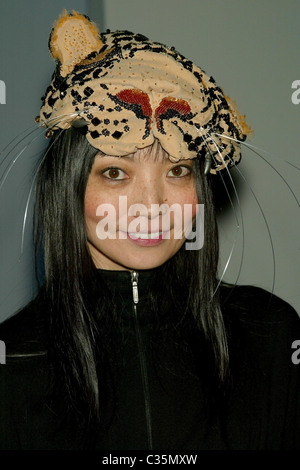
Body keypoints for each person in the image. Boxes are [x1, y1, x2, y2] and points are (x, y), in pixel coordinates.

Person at [0, 10, 299, 451]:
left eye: (177, 169)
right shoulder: (13, 364)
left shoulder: (272, 337)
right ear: (69, 184)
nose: (152, 205)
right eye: (116, 173)